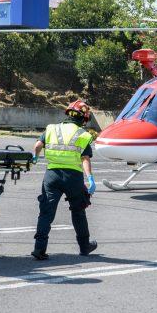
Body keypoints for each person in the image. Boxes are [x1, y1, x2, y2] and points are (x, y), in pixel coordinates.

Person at [30, 100, 98, 260]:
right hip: (73, 177)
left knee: (46, 212)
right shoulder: (83, 134)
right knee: (78, 211)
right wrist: (90, 179)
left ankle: (39, 249)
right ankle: (84, 246)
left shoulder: (51, 128)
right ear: (84, 119)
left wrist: (35, 158)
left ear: (67, 114)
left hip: (51, 175)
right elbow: (85, 158)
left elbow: (37, 145)